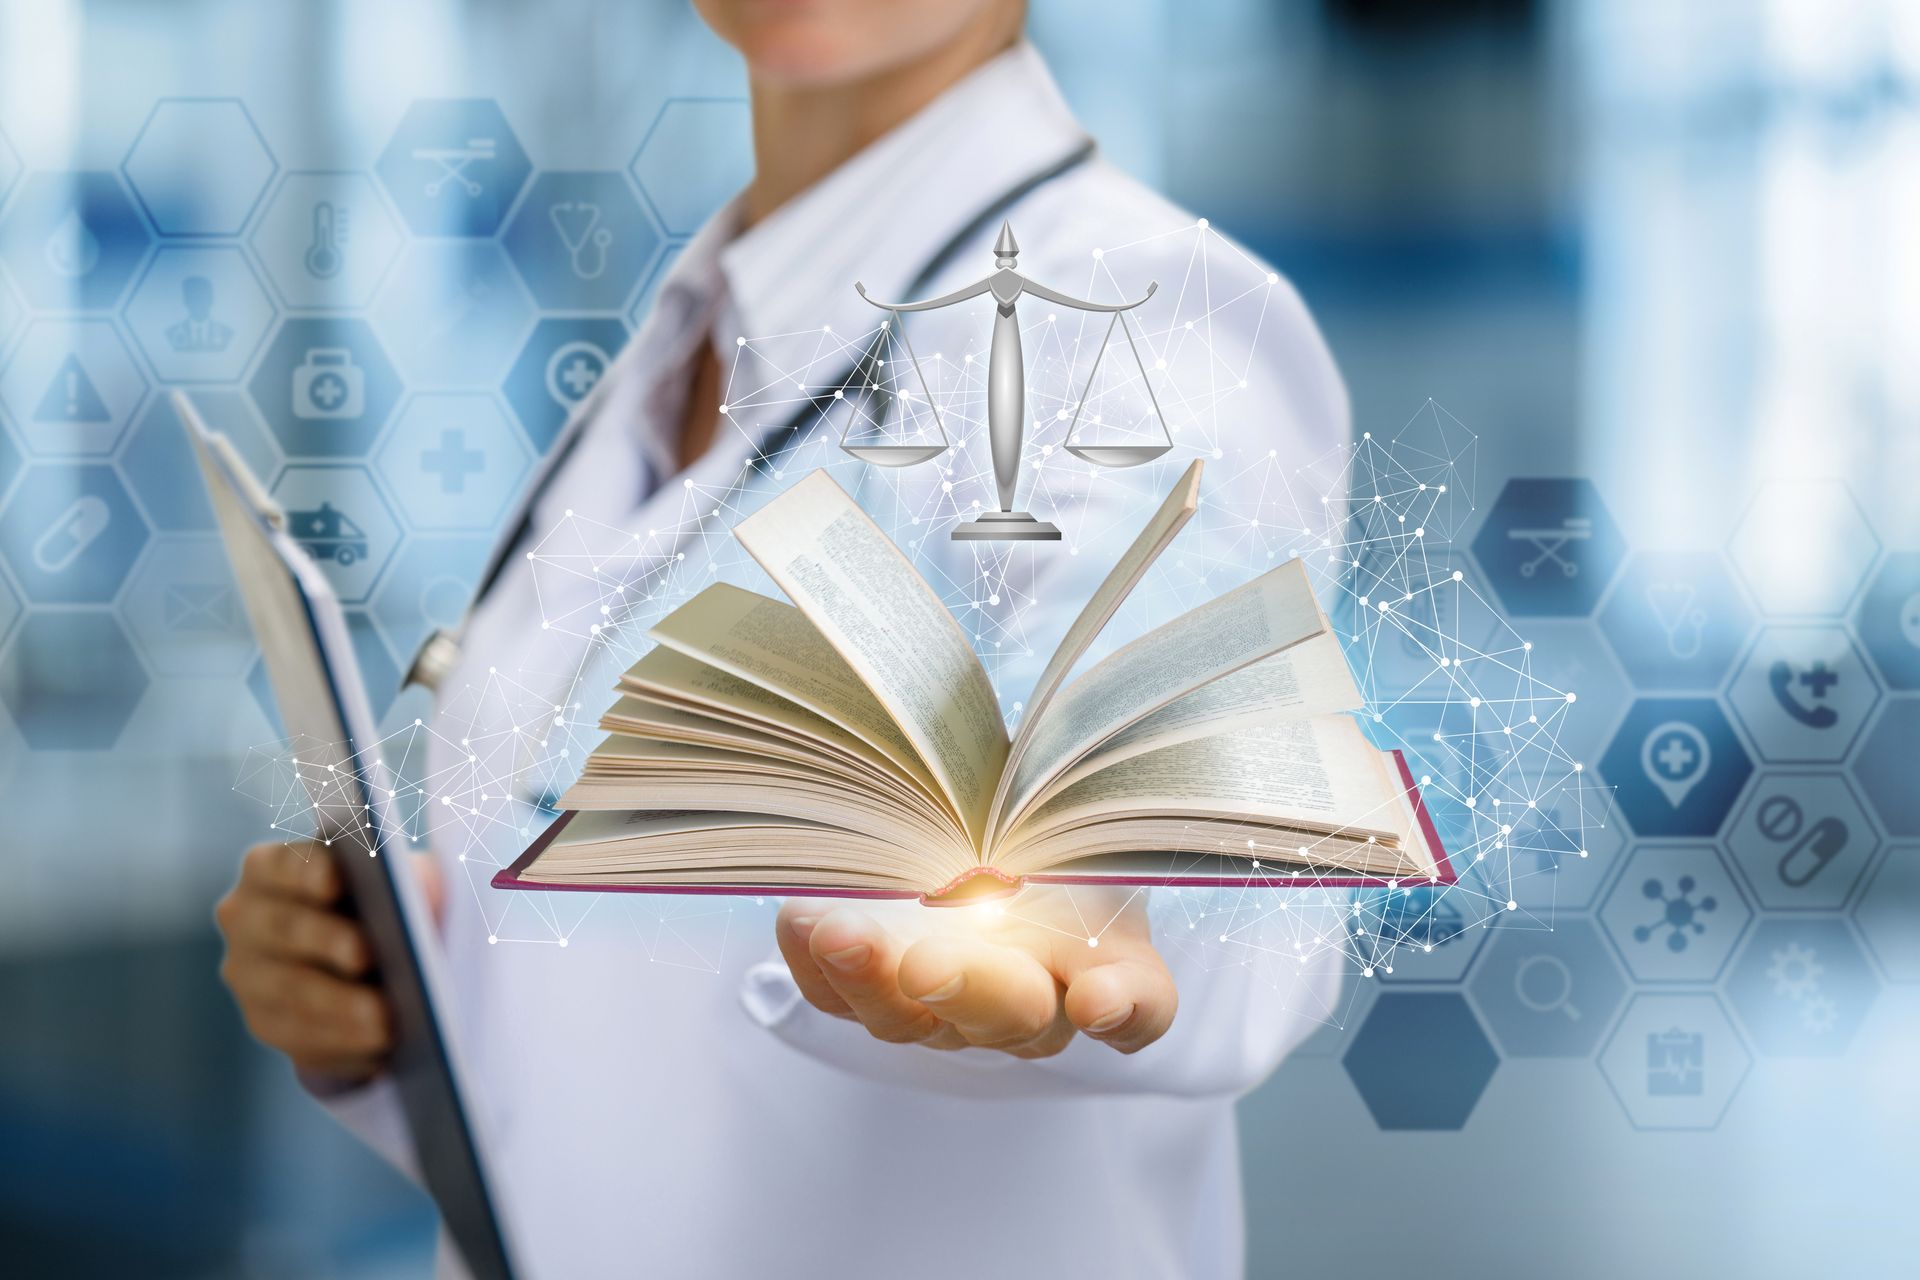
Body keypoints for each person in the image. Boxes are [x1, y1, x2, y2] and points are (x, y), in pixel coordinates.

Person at [215, 1, 1353, 1275]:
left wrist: (1103, 871)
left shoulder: (1125, 323)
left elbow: (1175, 682)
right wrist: (381, 1005)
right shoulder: (711, 313)